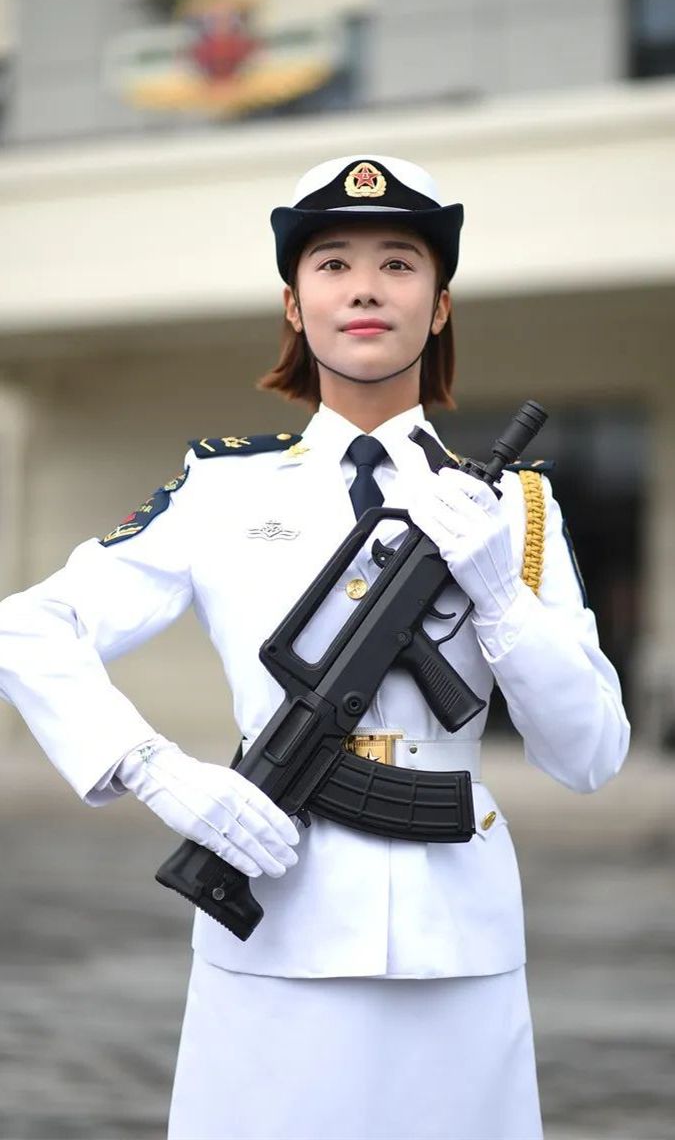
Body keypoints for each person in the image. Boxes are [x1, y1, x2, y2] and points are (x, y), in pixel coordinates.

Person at [0, 155, 630, 1140]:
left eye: (398, 263)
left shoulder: (516, 505)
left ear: (439, 305)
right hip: (274, 920)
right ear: (294, 306)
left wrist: (500, 593)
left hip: (455, 947)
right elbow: (28, 626)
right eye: (333, 263)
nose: (366, 287)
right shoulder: (222, 490)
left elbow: (588, 755)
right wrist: (154, 769)